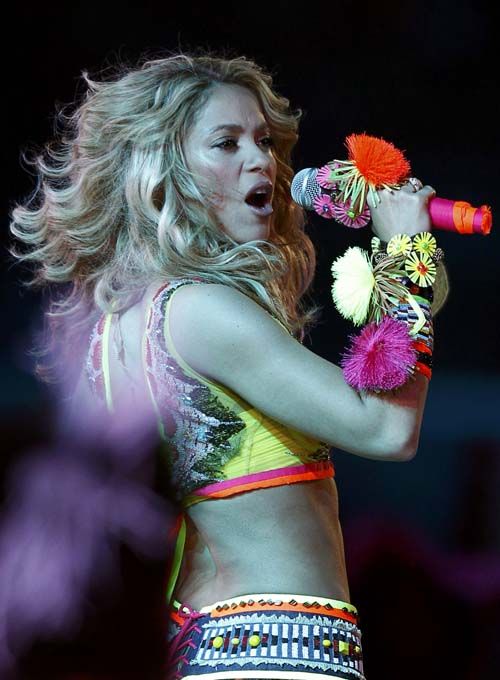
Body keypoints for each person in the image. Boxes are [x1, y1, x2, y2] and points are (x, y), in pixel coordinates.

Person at [9, 51, 442, 680]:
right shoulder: (200, 310)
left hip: (223, 648)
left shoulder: (122, 325)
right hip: (268, 656)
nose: (262, 159)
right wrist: (407, 254)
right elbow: (386, 429)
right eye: (226, 142)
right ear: (162, 172)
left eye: (264, 140)